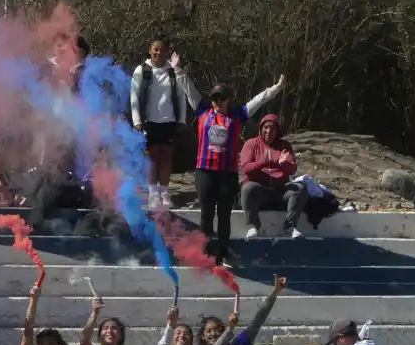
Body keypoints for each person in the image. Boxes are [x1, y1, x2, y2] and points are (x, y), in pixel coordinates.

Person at [196, 78, 286, 261]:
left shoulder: (237, 115)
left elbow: (258, 101)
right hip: (204, 170)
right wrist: (179, 71)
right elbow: (189, 91)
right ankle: (204, 250)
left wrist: (275, 88)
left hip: (227, 173)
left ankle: (222, 250)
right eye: (214, 98)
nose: (217, 102)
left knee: (224, 214)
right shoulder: (203, 112)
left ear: (228, 99)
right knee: (206, 213)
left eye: (221, 98)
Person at [129, 36, 200, 210]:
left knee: (167, 157)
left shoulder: (172, 70)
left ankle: (164, 192)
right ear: (150, 50)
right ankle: (153, 194)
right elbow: (134, 97)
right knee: (152, 158)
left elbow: (180, 97)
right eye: (156, 49)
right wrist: (137, 120)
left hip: (169, 120)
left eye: (162, 50)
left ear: (167, 51)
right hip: (149, 121)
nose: (159, 53)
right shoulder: (141, 70)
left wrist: (182, 120)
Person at [240, 114, 308, 239]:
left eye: (273, 128)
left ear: (278, 131)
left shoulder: (285, 146)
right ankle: (253, 226)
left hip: (279, 192)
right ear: (260, 128)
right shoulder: (251, 144)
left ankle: (290, 227)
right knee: (248, 188)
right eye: (266, 127)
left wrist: (281, 164)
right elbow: (246, 168)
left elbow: (292, 169)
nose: (268, 131)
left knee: (300, 188)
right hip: (260, 193)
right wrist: (262, 162)